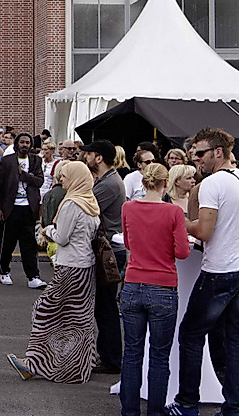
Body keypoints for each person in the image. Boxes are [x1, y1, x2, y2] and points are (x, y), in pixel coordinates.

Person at [166, 128, 239, 416]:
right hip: (235, 267)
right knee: (233, 341)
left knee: (191, 335)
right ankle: (232, 407)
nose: (196, 159)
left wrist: (177, 219)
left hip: (218, 270)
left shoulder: (214, 184)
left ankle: (186, 404)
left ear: (217, 153)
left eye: (199, 153)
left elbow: (203, 231)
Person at [7, 161, 101, 384]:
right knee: (79, 319)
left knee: (45, 312)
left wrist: (47, 228)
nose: (62, 181)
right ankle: (81, 364)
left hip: (69, 267)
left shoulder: (71, 204)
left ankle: (34, 363)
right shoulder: (90, 202)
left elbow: (62, 237)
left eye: (65, 177)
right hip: (86, 266)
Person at [119, 163, 190, 416]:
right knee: (159, 356)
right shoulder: (173, 212)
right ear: (166, 183)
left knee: (132, 354)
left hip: (133, 283)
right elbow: (182, 252)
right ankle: (156, 412)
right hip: (163, 285)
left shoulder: (128, 207)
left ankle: (129, 411)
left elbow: (128, 242)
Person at [81, 139, 127, 374]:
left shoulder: (108, 185)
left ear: (99, 158)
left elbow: (85, 207)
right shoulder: (106, 181)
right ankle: (108, 356)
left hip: (108, 252)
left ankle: (111, 359)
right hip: (107, 249)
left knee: (105, 307)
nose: (85, 158)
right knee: (103, 307)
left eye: (88, 154)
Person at [0, 133, 46, 289]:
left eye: (27, 142)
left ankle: (33, 276)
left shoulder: (36, 161)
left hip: (28, 208)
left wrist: (25, 176)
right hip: (11, 208)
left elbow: (39, 181)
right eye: (22, 142)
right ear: (17, 144)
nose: (25, 145)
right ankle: (4, 271)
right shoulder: (7, 161)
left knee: (29, 244)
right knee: (7, 242)